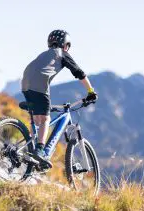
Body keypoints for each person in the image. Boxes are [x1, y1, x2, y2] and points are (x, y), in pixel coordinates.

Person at [21, 29, 97, 168]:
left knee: (38, 119)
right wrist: (91, 91)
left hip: (25, 84)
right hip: (39, 84)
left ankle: (31, 151)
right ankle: (40, 150)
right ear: (65, 45)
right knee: (45, 119)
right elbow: (79, 73)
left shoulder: (45, 54)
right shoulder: (62, 53)